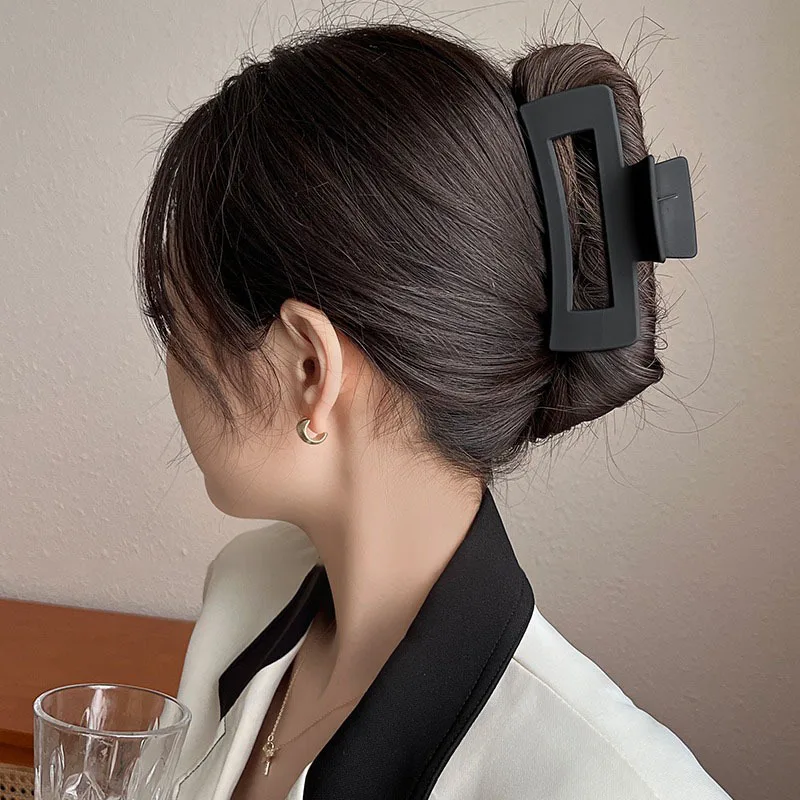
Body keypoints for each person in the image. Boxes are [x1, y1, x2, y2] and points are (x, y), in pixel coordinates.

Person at [135, 21, 732, 800]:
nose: (171, 363)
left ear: (310, 368)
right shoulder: (247, 594)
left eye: (178, 322)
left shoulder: (610, 784)